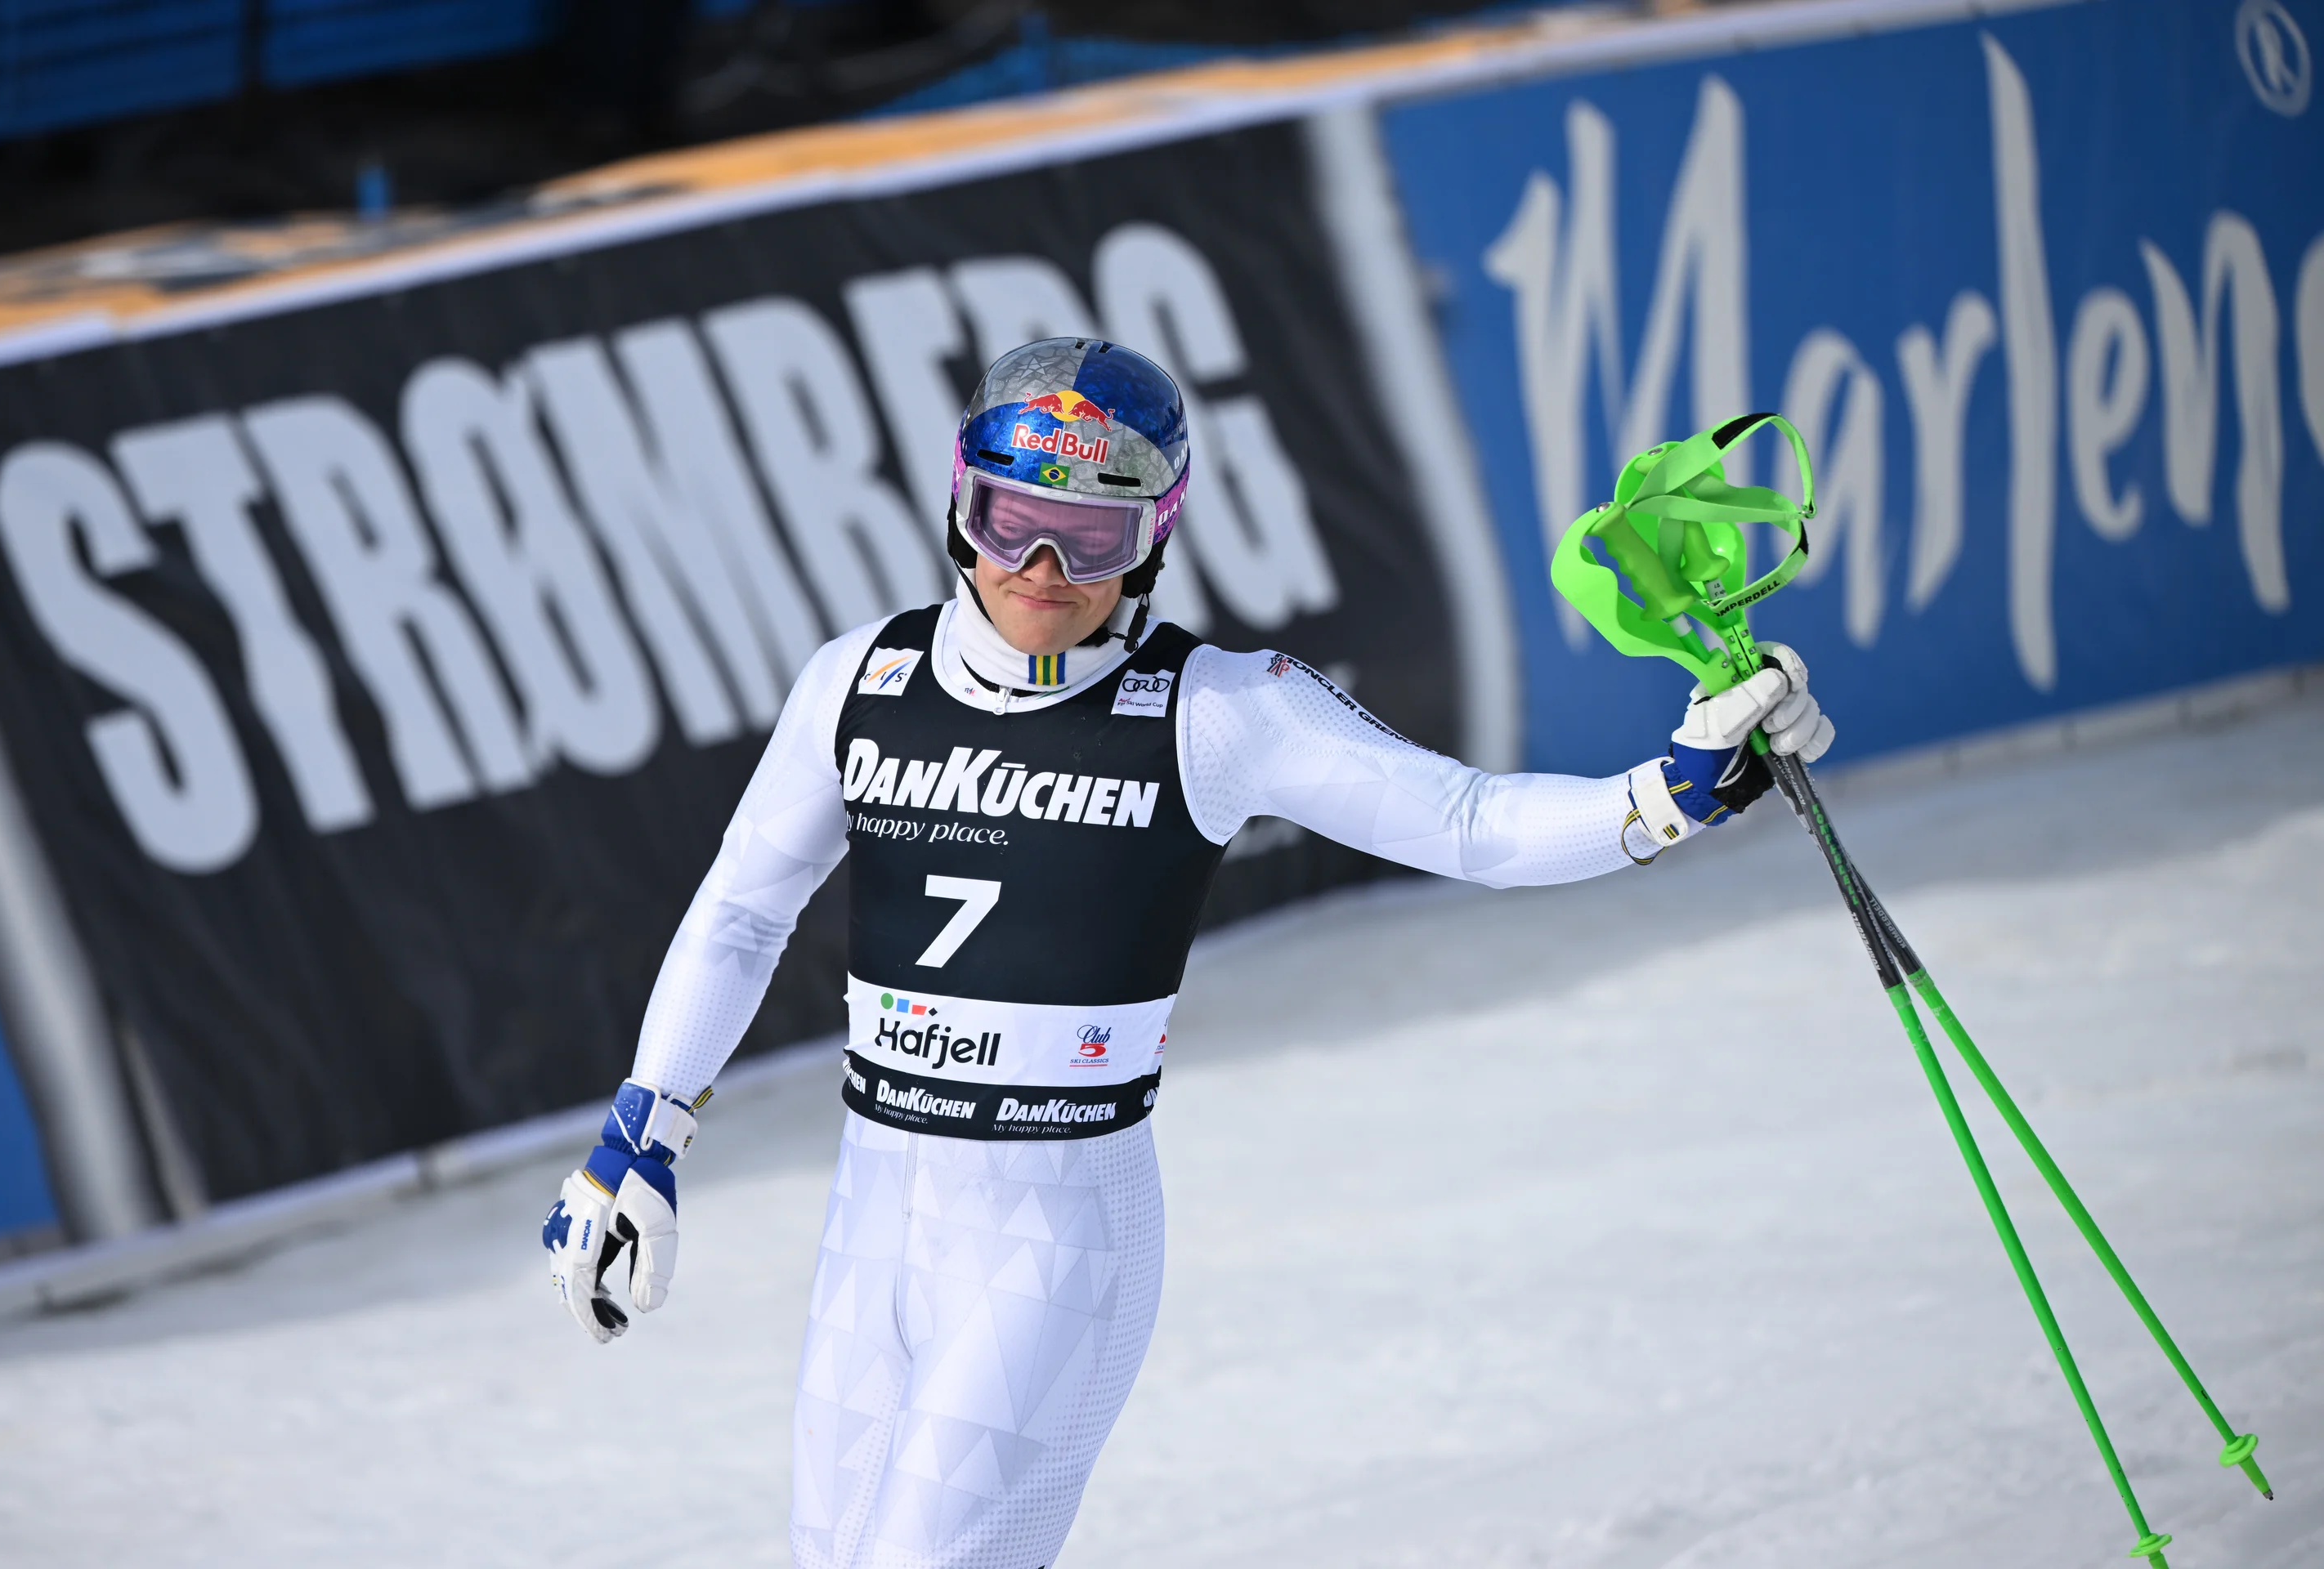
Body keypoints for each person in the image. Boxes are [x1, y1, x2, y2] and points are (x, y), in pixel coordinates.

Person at [543, 338, 1834, 1569]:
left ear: (1153, 537)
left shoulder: (1223, 711)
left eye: (1093, 533)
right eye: (1012, 520)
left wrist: (1670, 791)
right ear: (960, 510)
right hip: (876, 1211)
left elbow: (1467, 823)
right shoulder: (859, 680)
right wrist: (641, 1137)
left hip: (1054, 1237)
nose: (1044, 565)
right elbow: (740, 911)